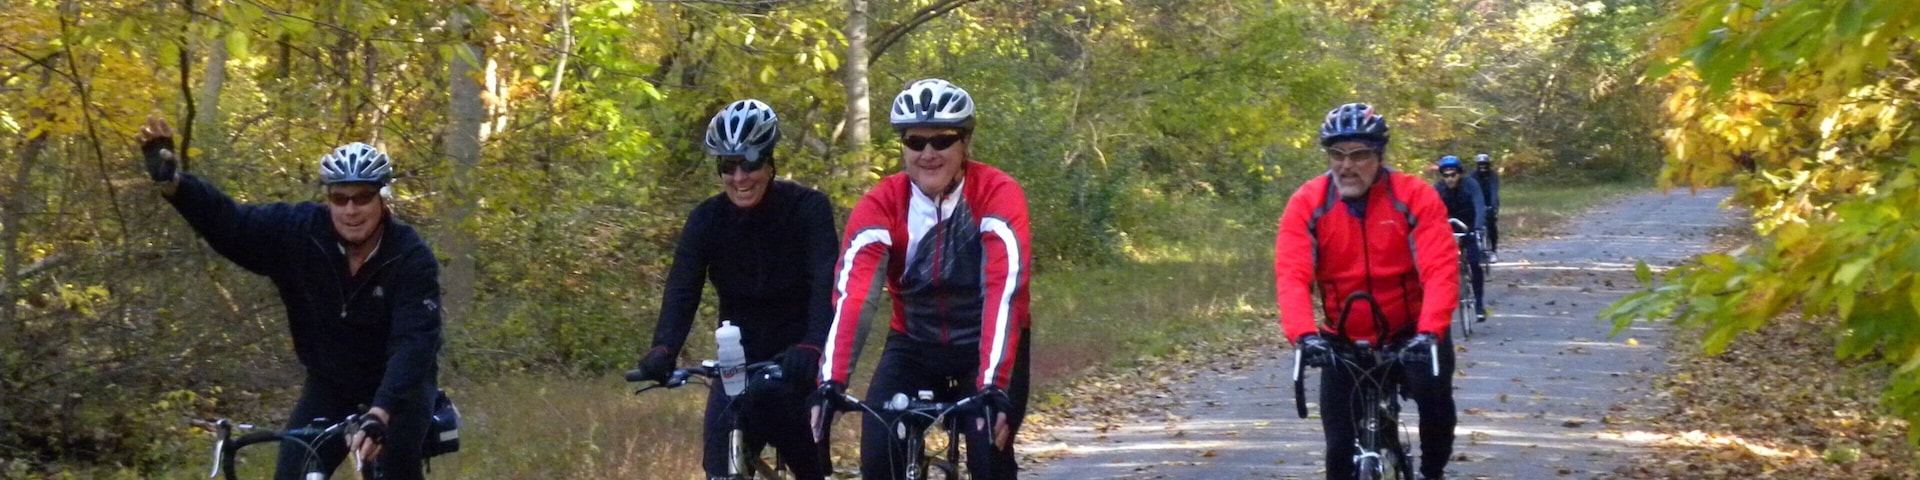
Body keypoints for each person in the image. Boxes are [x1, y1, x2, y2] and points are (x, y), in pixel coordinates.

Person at [135, 116, 441, 479]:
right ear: (327, 199)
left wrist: (381, 412)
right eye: (339, 198)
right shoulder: (299, 232)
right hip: (331, 383)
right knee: (293, 471)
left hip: (399, 390)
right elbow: (231, 224)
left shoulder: (409, 256)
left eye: (362, 197)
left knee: (395, 469)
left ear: (382, 199)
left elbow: (414, 343)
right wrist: (175, 185)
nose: (350, 210)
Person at [813, 78, 1033, 479]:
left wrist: (994, 384)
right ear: (903, 147)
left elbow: (1005, 294)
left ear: (965, 143)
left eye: (942, 141)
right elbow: (855, 297)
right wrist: (831, 382)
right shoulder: (882, 202)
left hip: (986, 344)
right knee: (879, 458)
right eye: (916, 142)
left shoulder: (997, 192)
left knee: (990, 456)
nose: (928, 153)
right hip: (914, 344)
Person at [631, 99, 837, 480]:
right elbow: (682, 287)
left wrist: (813, 345)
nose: (740, 177)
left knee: (810, 466)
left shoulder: (808, 209)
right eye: (728, 166)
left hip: (798, 357)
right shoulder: (706, 219)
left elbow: (828, 280)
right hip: (736, 360)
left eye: (751, 163)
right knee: (719, 468)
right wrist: (663, 348)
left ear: (770, 162)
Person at [1272, 103, 1458, 480]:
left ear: (1379, 156)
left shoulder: (1413, 195)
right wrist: (1304, 335)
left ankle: (1433, 473)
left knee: (1435, 404)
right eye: (1337, 155)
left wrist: (1429, 331)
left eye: (1359, 155)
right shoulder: (1309, 202)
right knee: (1339, 450)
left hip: (1411, 330)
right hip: (1342, 338)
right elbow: (1292, 274)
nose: (1346, 165)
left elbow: (1440, 268)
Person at [1434, 155, 1488, 323]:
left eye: (1453, 174)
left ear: (1460, 174)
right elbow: (1430, 210)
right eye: (1446, 175)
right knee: (1441, 266)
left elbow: (1479, 205)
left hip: (1469, 226)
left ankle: (1479, 304)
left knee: (1474, 262)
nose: (1450, 178)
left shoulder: (1470, 185)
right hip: (1447, 228)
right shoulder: (1438, 188)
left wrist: (1478, 227)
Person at [1471, 153, 1500, 262]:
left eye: (1485, 165)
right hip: (1475, 202)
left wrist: (1493, 207)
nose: (1482, 168)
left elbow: (1494, 191)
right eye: (1480, 165)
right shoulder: (1472, 176)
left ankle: (1493, 250)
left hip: (1489, 202)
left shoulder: (1493, 176)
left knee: (1491, 225)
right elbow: (1470, 191)